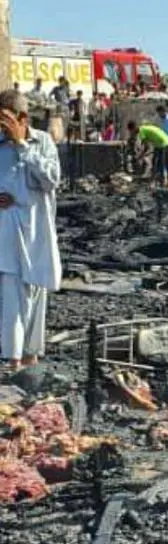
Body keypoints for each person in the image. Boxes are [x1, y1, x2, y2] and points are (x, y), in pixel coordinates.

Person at [0, 90, 61, 371]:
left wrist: (23, 145)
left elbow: (50, 179)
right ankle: (13, 359)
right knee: (12, 291)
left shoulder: (43, 142)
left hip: (38, 228)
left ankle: (31, 356)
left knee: (37, 290)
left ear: (22, 118)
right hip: (9, 228)